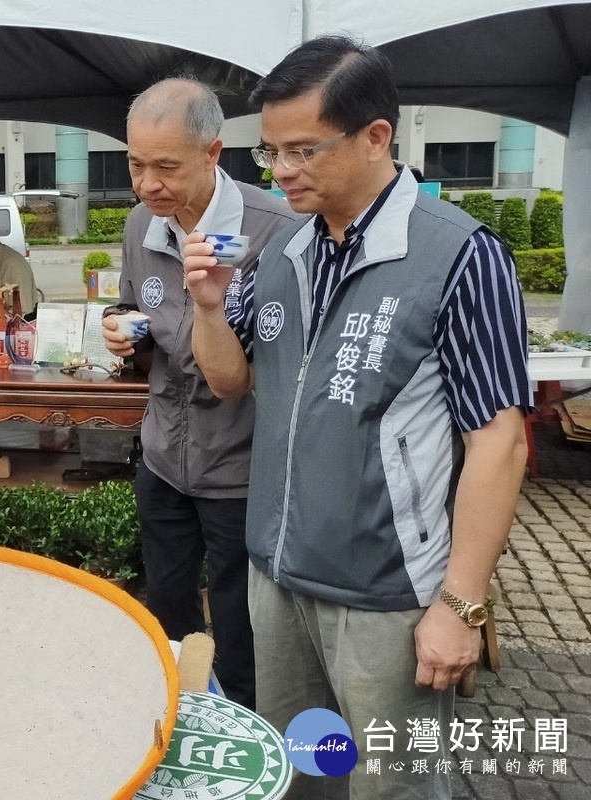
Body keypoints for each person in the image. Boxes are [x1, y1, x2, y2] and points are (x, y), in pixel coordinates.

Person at [184, 37, 529, 800]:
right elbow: (230, 379)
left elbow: (499, 443)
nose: (281, 171)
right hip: (277, 578)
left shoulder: (460, 256)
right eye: (270, 151)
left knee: (392, 784)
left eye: (304, 150)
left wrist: (460, 605)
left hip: (385, 596)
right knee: (307, 772)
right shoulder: (284, 253)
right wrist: (208, 306)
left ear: (377, 136)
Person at [100, 78, 299, 710]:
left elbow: (274, 363)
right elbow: (141, 308)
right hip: (163, 458)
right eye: (136, 165)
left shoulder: (279, 232)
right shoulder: (142, 225)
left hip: (242, 470)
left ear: (214, 153)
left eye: (166, 167)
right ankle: (177, 722)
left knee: (241, 630)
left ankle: (246, 741)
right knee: (166, 610)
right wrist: (123, 329)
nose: (147, 184)